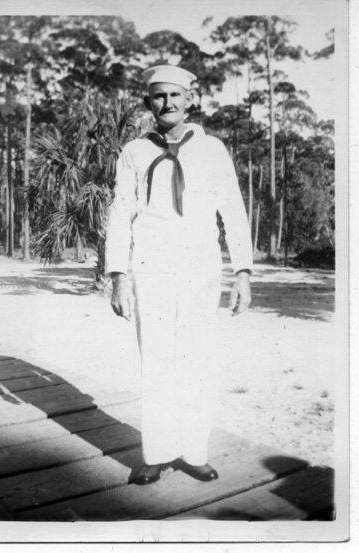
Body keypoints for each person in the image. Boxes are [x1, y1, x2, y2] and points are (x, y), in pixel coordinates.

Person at [105, 65, 253, 485]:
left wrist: (242, 272)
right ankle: (158, 452)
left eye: (175, 95)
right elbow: (121, 211)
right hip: (150, 268)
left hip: (200, 268)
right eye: (159, 96)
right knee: (156, 360)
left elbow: (233, 210)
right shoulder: (134, 151)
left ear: (190, 99)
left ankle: (194, 452)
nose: (167, 103)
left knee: (197, 359)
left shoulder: (212, 149)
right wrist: (118, 275)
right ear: (148, 101)